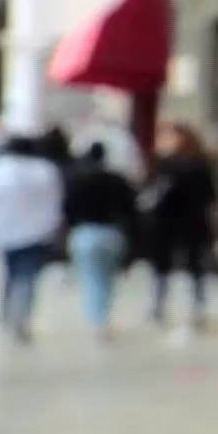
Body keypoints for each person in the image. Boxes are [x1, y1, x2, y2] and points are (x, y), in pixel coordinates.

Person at [0, 132, 64, 345]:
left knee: (9, 274)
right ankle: (21, 318)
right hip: (37, 232)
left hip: (4, 232)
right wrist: (55, 227)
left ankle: (6, 314)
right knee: (27, 277)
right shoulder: (46, 170)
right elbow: (55, 202)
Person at [141, 121, 218, 335]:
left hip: (185, 221)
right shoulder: (166, 164)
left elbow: (210, 196)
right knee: (173, 265)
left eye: (168, 137)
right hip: (176, 222)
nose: (163, 142)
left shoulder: (190, 165)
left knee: (190, 265)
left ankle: (190, 308)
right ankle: (168, 307)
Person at [63, 142, 139, 340]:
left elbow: (67, 209)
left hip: (85, 233)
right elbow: (131, 209)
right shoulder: (116, 180)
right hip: (111, 233)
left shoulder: (78, 181)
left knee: (91, 279)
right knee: (107, 279)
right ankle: (103, 318)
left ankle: (98, 320)